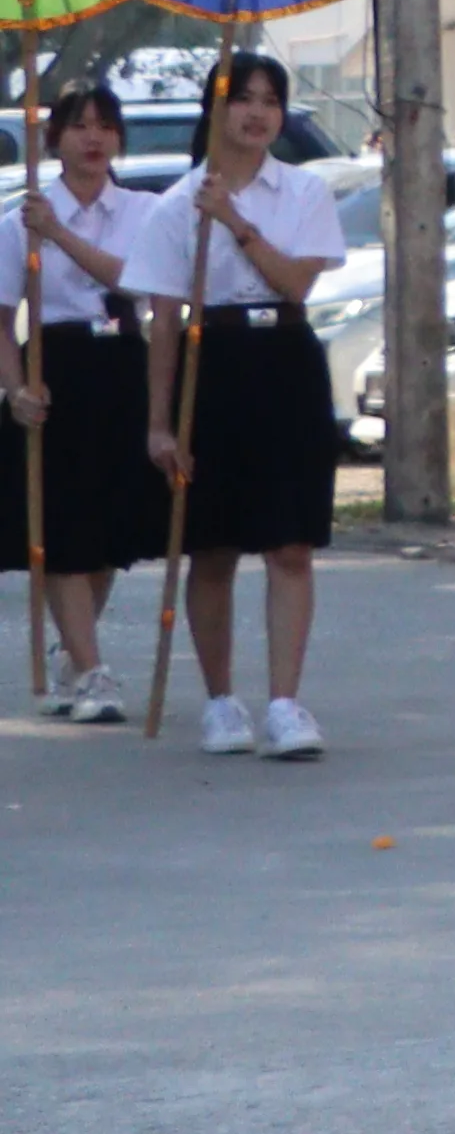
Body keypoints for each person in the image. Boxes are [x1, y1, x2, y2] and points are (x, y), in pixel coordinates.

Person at [136, 51, 348, 760]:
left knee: (290, 541)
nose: (257, 114)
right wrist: (160, 422)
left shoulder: (304, 193)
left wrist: (235, 221)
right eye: (242, 99)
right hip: (212, 362)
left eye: (270, 101)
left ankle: (286, 702)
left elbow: (295, 285)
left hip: (285, 360)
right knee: (214, 544)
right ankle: (222, 701)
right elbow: (163, 318)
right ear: (215, 110)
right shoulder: (175, 204)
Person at [16, 81, 150, 721]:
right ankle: (93, 671)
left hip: (125, 364)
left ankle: (73, 652)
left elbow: (137, 280)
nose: (92, 138)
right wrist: (17, 386)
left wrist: (61, 236)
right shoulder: (23, 217)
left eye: (104, 126)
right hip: (58, 364)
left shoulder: (142, 211)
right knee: (65, 526)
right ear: (55, 139)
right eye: (78, 126)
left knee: (112, 531)